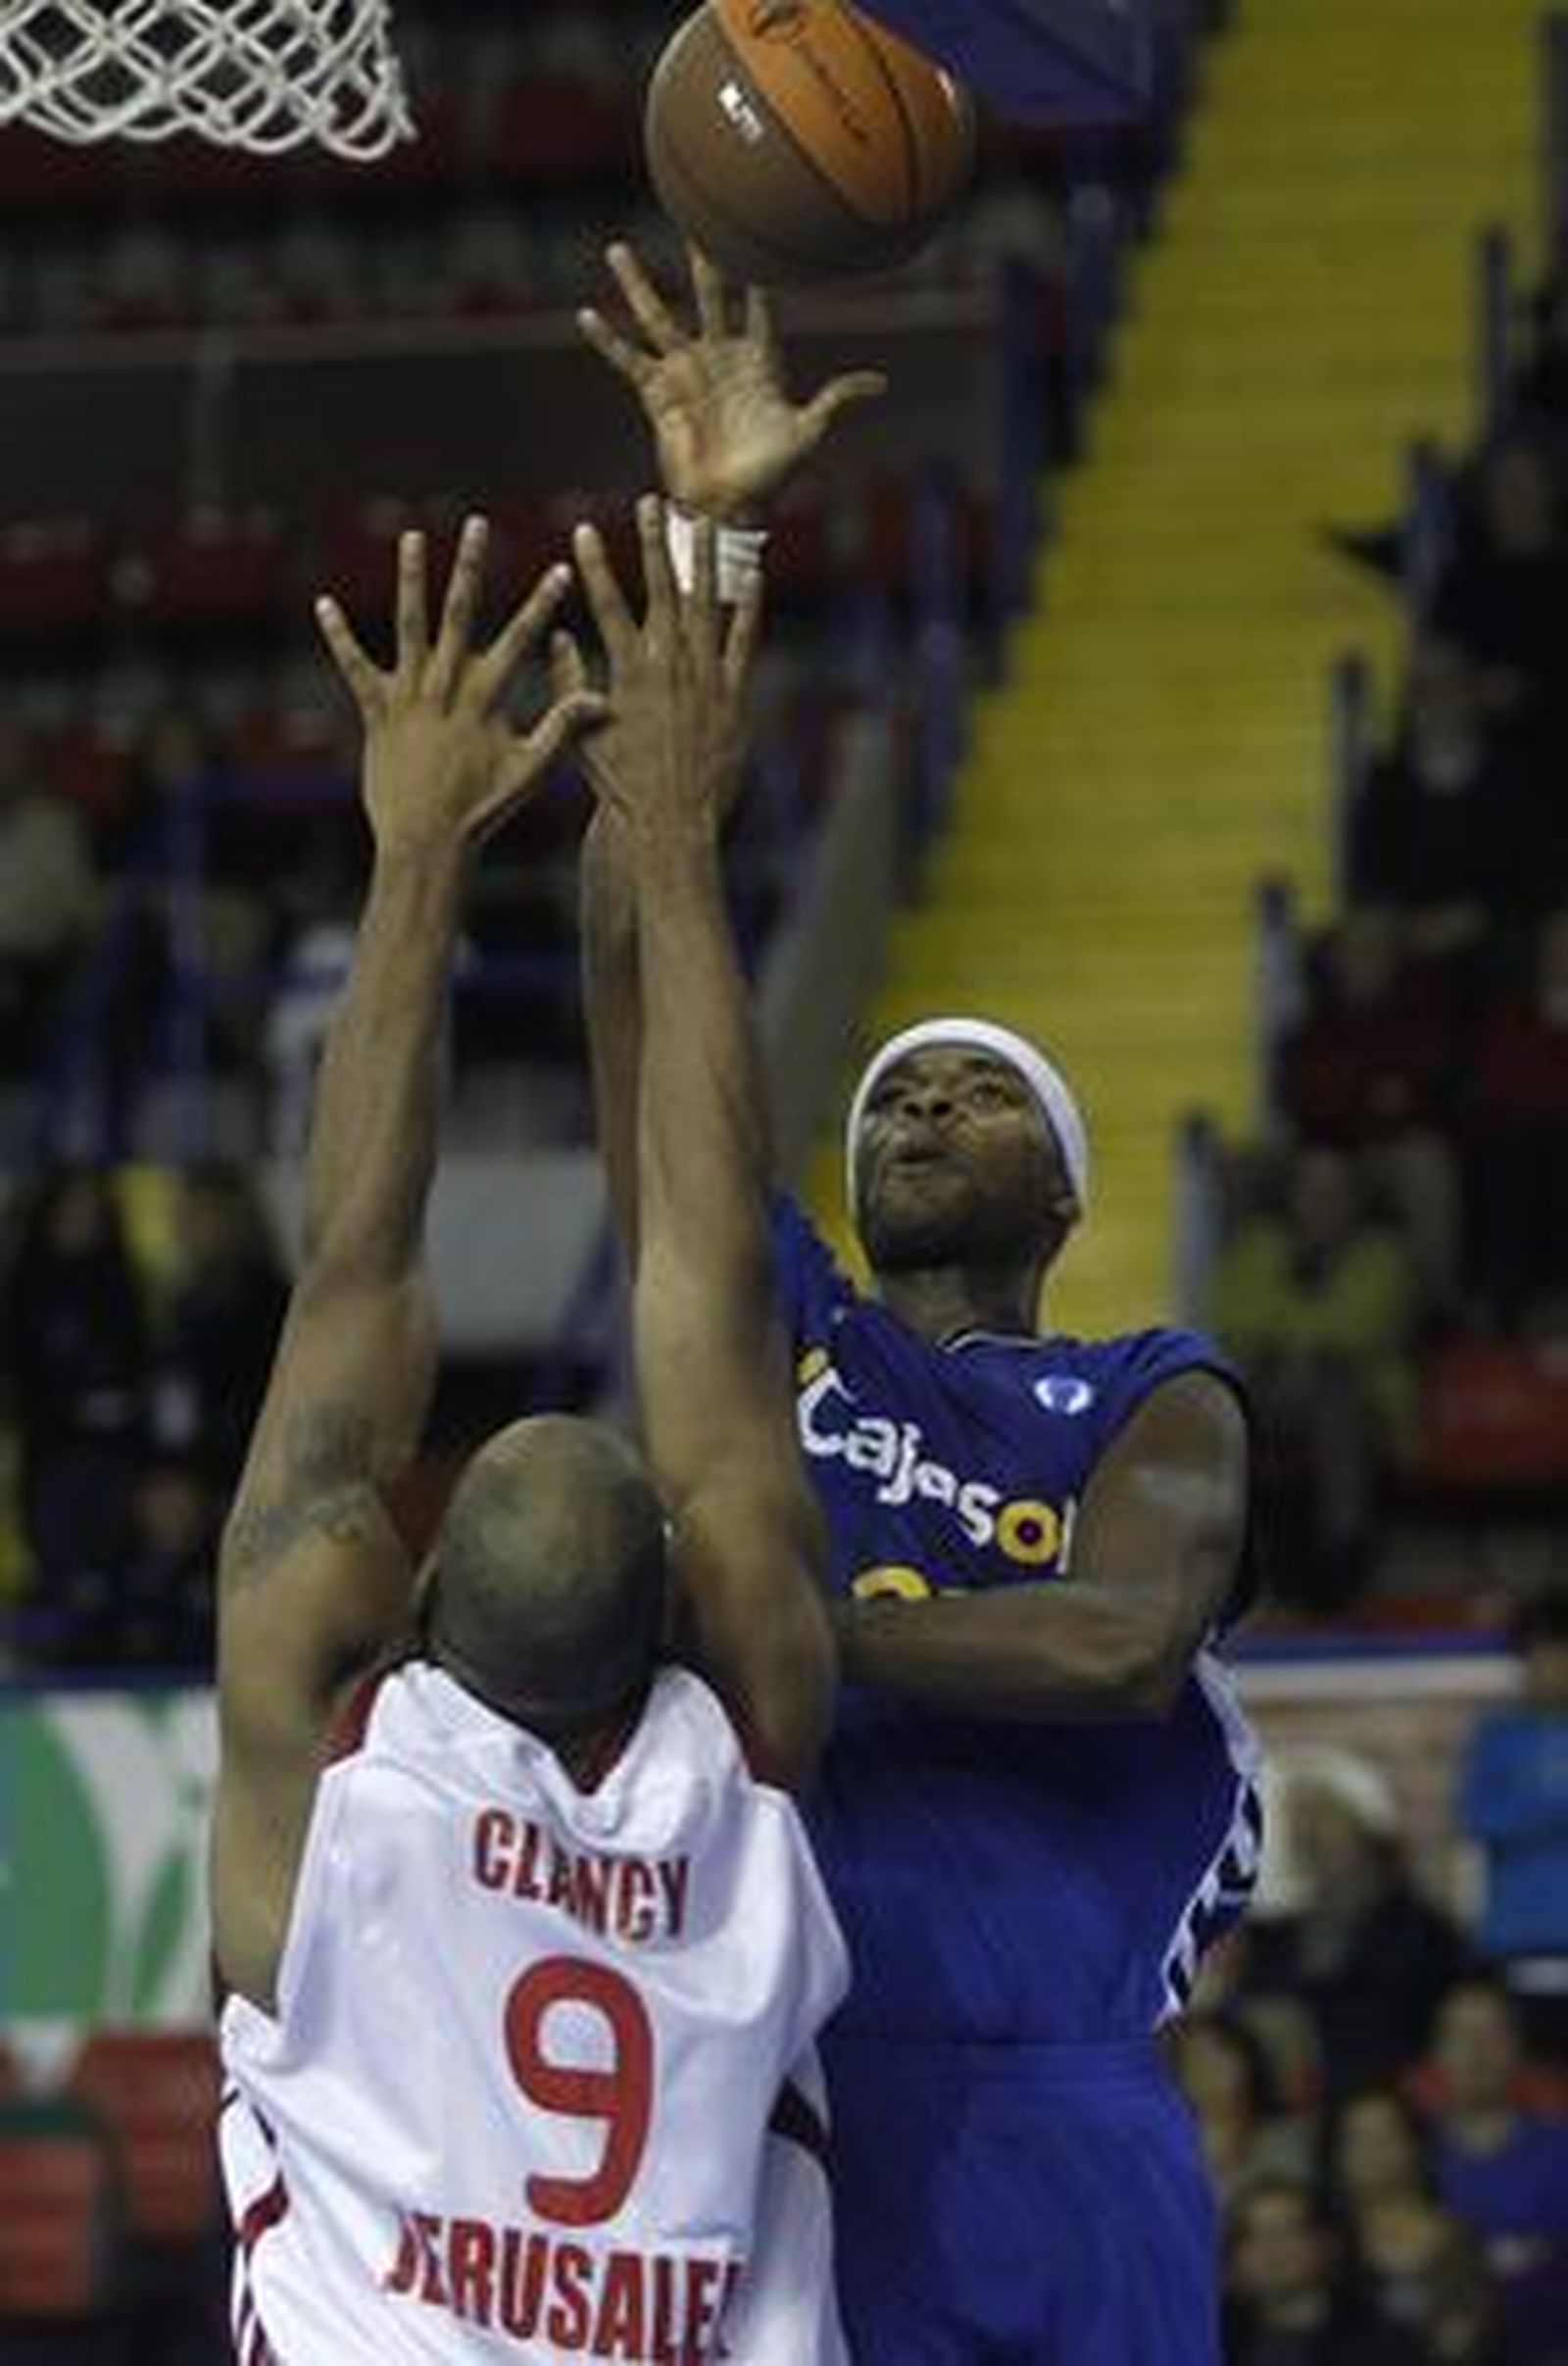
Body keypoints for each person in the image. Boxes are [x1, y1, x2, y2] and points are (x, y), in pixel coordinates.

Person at [582, 240, 1262, 2366]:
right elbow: (629, 950)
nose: (917, 1108)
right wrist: (707, 542)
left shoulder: (1151, 1390)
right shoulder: (782, 1320)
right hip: (780, 2078)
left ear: (1058, 1186)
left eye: (974, 1093)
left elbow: (1118, 1634)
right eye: (887, 1090)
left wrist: (789, 1628)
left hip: (1055, 2098)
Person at [213, 509, 849, 2361]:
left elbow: (351, 1269)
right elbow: (713, 1297)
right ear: (671, 1607)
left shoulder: (331, 1793)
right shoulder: (742, 1745)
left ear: (403, 1611)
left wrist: (414, 859)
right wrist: (676, 845)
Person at [1429, 1978, 1568, 2363]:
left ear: (1518, 2049)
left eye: (1491, 2035)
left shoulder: (1561, 2151)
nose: (1476, 2052)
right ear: (1437, 2053)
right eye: (1460, 2036)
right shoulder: (1410, 2154)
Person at [1223, 2173, 1432, 2366]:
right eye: (1253, 2236)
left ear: (1323, 2244)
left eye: (1288, 2231)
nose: (1271, 2249)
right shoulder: (1218, 2342)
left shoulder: (1382, 2342)